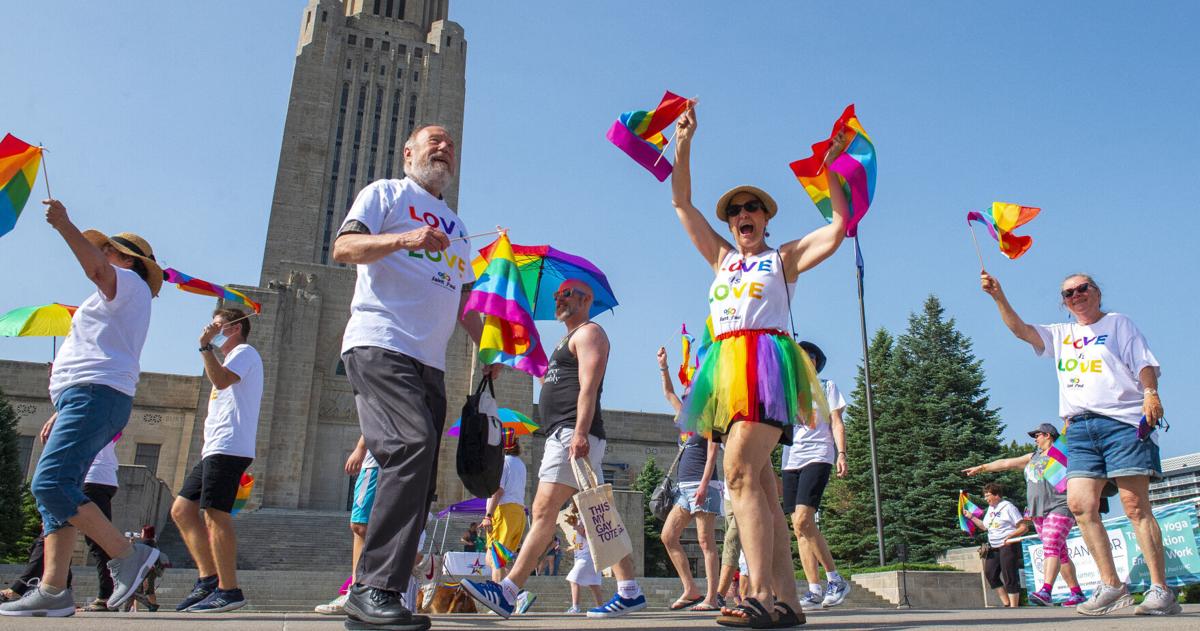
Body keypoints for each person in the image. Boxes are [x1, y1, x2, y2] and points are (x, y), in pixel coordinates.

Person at [668, 102, 848, 628]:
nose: (742, 214)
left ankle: (761, 594)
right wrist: (684, 142)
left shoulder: (782, 258)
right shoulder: (721, 257)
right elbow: (681, 202)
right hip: (725, 371)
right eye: (735, 211)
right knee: (764, 492)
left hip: (767, 366)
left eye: (752, 208)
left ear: (766, 218)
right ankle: (789, 603)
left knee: (739, 472)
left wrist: (832, 170)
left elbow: (839, 227)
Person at [333, 123, 496, 631]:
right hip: (381, 341)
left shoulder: (459, 226)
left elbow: (463, 299)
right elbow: (344, 247)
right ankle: (372, 587)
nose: (444, 149)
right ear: (409, 153)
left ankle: (382, 598)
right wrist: (406, 237)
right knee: (412, 443)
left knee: (421, 474)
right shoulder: (385, 194)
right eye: (434, 141)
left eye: (451, 145)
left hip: (431, 362)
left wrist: (490, 345)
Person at [980, 271, 1179, 616]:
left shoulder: (1118, 324)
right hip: (1079, 429)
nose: (1076, 295)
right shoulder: (1062, 334)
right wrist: (998, 296)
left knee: (1134, 505)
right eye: (1068, 293)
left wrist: (1150, 393)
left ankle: (1160, 589)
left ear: (1097, 292)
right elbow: (1020, 330)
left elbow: (1144, 363)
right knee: (1080, 505)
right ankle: (1112, 586)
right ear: (1064, 303)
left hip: (1122, 423)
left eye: (1082, 288)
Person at [1, 201, 162, 618]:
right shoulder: (115, 296)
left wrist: (64, 225)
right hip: (85, 396)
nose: (102, 253)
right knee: (58, 493)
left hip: (95, 393)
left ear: (129, 260)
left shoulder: (128, 282)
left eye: (109, 249)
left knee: (49, 483)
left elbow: (98, 271)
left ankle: (128, 555)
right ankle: (53, 588)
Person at [463, 279, 647, 619]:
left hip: (571, 433)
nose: (557, 299)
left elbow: (589, 387)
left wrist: (580, 432)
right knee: (598, 514)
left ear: (586, 299)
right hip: (563, 434)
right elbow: (550, 380)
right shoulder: (566, 341)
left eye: (565, 294)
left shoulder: (590, 333)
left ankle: (508, 591)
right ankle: (629, 590)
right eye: (556, 295)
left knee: (544, 510)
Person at [171, 307, 264, 613]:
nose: (210, 329)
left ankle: (229, 589)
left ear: (234, 328)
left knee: (215, 513)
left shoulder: (245, 353)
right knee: (182, 510)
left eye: (217, 325)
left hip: (230, 447)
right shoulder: (228, 358)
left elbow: (222, 381)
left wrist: (204, 347)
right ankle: (209, 579)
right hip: (214, 448)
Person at [964, 423, 1086, 607]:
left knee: (1051, 546)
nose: (1035, 439)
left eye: (1037, 435)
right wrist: (982, 467)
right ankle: (1077, 593)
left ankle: (1046, 591)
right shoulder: (1032, 457)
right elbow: (1006, 463)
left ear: (1048, 435)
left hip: (1059, 506)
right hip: (1038, 511)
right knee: (1060, 553)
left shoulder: (1060, 453)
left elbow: (1069, 433)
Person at [2, 438, 121, 611]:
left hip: (85, 477)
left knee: (55, 531)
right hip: (99, 478)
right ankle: (71, 590)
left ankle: (22, 589)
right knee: (66, 534)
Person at [783, 341, 852, 611]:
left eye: (809, 356)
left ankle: (835, 579)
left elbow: (837, 422)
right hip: (791, 460)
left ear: (815, 361)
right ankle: (814, 589)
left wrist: (841, 453)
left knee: (803, 519)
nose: (804, 359)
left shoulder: (827, 386)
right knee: (799, 527)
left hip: (818, 455)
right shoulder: (788, 392)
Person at [655, 346, 722, 612]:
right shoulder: (684, 416)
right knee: (668, 536)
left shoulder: (710, 418)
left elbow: (713, 453)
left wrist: (704, 485)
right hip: (683, 489)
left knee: (706, 541)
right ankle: (691, 589)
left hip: (705, 484)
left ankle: (712, 597)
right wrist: (663, 366)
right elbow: (667, 392)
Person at [315, 436, 380, 615]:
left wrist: (360, 447)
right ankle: (360, 592)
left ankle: (356, 593)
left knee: (360, 525)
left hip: (376, 461)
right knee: (372, 527)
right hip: (387, 458)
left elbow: (375, 417)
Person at [962, 483, 1027, 608]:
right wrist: (971, 517)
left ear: (997, 495)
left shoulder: (1008, 507)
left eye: (988, 495)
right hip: (994, 545)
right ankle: (1006, 603)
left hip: (1008, 545)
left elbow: (1023, 527)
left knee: (1009, 575)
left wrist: (1010, 536)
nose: (986, 498)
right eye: (985, 495)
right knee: (990, 573)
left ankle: (1014, 607)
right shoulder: (991, 508)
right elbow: (984, 527)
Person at [484, 428, 528, 582]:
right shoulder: (520, 464)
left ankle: (499, 594)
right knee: (492, 559)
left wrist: (488, 516)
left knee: (496, 558)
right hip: (518, 513)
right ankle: (512, 589)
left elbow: (498, 491)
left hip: (503, 512)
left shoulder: (502, 463)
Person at [563, 511, 604, 613]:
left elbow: (589, 536)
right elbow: (583, 541)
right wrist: (573, 547)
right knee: (593, 583)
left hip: (587, 557)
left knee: (573, 579)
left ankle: (575, 607)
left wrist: (575, 525)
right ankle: (601, 607)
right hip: (587, 556)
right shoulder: (585, 517)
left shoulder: (588, 517)